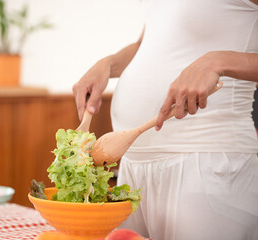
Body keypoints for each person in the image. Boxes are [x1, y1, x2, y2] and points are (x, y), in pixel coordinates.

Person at [72, 1, 258, 240]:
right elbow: (148, 43)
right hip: (132, 169)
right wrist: (107, 64)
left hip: (205, 163)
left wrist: (217, 61)